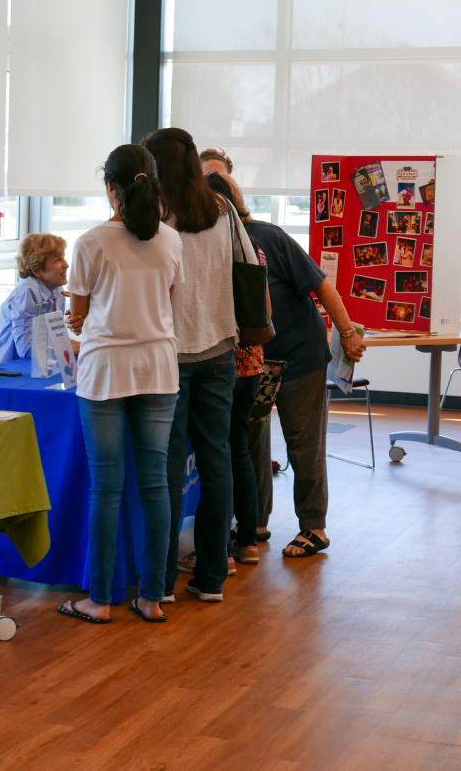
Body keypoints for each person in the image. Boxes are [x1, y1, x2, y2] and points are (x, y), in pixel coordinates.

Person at [57, 144, 183, 624]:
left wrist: (79, 314)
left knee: (106, 489)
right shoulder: (171, 240)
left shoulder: (91, 242)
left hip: (105, 368)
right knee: (155, 486)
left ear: (110, 188)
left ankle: (100, 600)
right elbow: (168, 300)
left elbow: (79, 315)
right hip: (158, 366)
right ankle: (152, 597)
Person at [143, 127, 250, 604]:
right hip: (220, 347)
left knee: (166, 468)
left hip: (168, 352)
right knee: (216, 460)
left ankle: (162, 583)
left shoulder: (154, 213)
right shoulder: (222, 208)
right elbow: (248, 263)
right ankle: (211, 578)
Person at [242, 187, 365, 558]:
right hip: (255, 361)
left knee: (303, 441)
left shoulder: (268, 235)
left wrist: (346, 333)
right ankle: (254, 521)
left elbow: (321, 284)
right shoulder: (211, 243)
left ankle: (314, 527)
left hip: (300, 356)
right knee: (252, 438)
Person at [204, 168, 266, 566]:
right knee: (238, 449)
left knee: (217, 455)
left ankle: (219, 550)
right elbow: (266, 312)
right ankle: (248, 540)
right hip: (253, 361)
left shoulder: (210, 252)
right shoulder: (253, 250)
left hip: (223, 359)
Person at [0, 233, 69, 364]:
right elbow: (26, 348)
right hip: (11, 368)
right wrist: (67, 347)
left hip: (41, 364)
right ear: (37, 270)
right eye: (58, 260)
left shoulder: (57, 290)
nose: (66, 264)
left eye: (63, 258)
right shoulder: (26, 291)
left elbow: (56, 337)